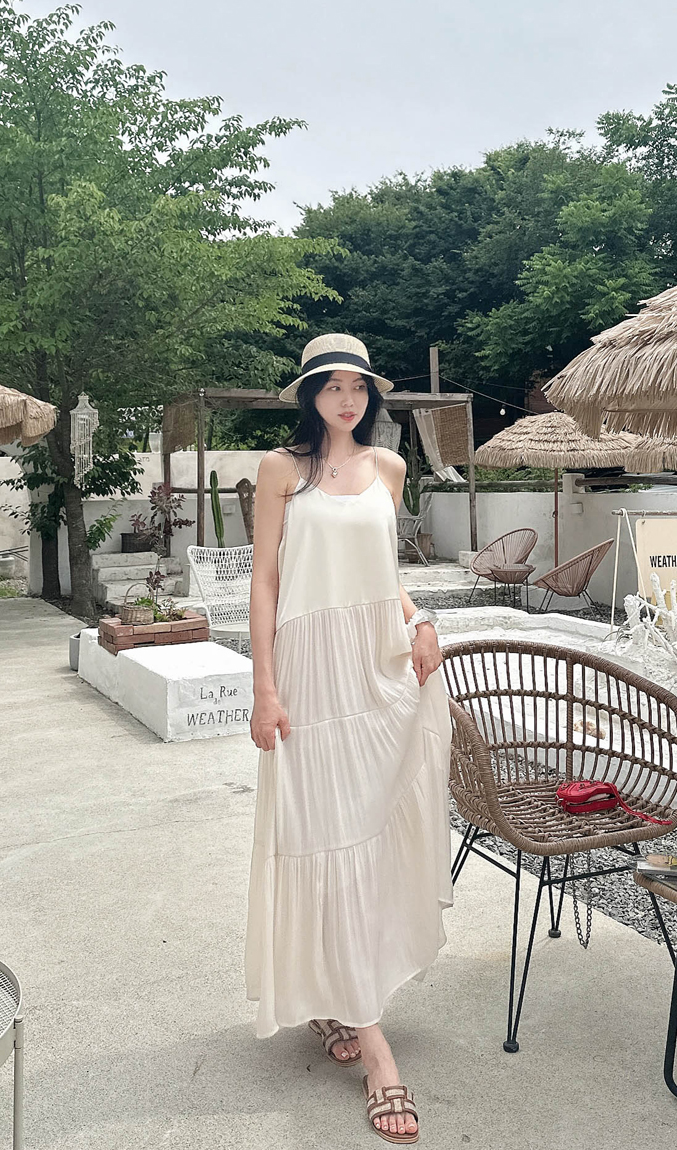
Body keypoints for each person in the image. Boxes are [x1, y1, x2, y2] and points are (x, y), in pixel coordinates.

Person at [245, 333, 453, 1144]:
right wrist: (265, 688)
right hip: (308, 677)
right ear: (310, 394)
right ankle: (377, 1053)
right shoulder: (281, 471)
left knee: (368, 843)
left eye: (357, 387)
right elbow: (266, 582)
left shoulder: (389, 468)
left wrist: (421, 619)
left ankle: (342, 997)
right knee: (322, 838)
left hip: (377, 672)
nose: (346, 398)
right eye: (331, 386)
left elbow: (385, 578)